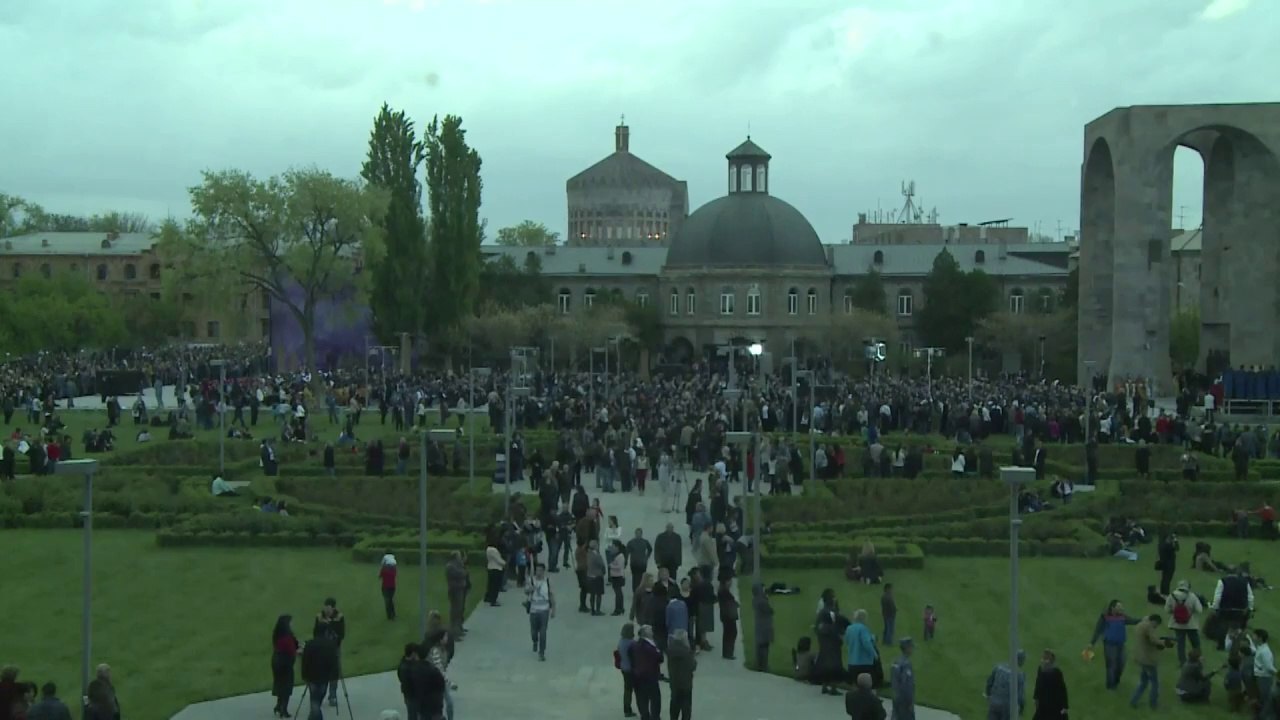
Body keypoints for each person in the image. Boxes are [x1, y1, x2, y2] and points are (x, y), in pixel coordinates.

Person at [1088, 599, 1140, 689]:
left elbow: (1133, 621)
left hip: (1120, 644)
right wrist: (1092, 643)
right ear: (1113, 608)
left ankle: (1116, 680)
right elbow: (1098, 630)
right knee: (1111, 665)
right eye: (1119, 607)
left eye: (1122, 607)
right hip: (1109, 645)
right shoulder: (1105, 617)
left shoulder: (1122, 617)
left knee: (1121, 663)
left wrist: (1144, 620)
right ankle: (1110, 685)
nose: (1122, 609)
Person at [1129, 614, 1168, 709]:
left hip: (1140, 657)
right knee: (1155, 683)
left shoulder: (1140, 625)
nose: (1156, 627)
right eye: (1156, 625)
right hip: (1148, 659)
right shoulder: (1148, 627)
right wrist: (1164, 643)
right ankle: (1153, 704)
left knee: (1144, 682)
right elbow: (1153, 640)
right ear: (1154, 621)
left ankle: (1133, 701)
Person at [313, 598, 346, 708]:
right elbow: (315, 633)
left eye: (329, 608)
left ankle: (332, 695)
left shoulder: (339, 617)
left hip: (334, 648)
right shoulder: (319, 617)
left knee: (334, 672)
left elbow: (341, 634)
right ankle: (320, 695)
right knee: (321, 672)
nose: (326, 610)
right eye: (325, 607)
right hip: (322, 649)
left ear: (333, 607)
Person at [301, 629, 339, 720]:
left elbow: (304, 661)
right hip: (324, 676)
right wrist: (334, 675)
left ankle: (313, 716)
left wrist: (304, 675)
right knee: (319, 697)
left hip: (311, 676)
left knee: (314, 697)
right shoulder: (330, 645)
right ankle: (316, 716)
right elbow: (333, 662)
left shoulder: (309, 644)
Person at [1164, 579, 1203, 666]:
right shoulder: (1192, 596)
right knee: (1195, 643)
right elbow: (1199, 610)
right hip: (1191, 624)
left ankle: (1182, 662)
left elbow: (1167, 610)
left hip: (1177, 624)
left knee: (1180, 644)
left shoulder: (1172, 596)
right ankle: (1198, 659)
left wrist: (1175, 611)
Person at [631, 625, 665, 720]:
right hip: (650, 676)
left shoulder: (637, 644)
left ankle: (645, 716)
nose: (652, 631)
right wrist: (658, 651)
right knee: (655, 699)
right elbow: (659, 658)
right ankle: (655, 717)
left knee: (642, 699)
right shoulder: (649, 646)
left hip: (639, 676)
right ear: (645, 633)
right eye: (650, 630)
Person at [271, 615, 300, 718]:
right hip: (285, 663)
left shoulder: (277, 634)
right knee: (287, 686)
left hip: (276, 661)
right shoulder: (287, 636)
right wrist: (299, 651)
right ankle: (284, 709)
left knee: (280, 684)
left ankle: (279, 705)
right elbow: (292, 650)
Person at [984, 649, 1026, 720]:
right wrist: (1021, 709)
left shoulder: (998, 667)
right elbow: (1020, 697)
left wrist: (988, 695)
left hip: (994, 702)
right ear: (1021, 660)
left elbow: (989, 682)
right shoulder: (1019, 676)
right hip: (1007, 707)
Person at [526, 563, 555, 661]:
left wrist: (553, 609)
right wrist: (529, 589)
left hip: (544, 609)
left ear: (543, 571)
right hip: (534, 609)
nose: (538, 572)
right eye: (537, 570)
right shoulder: (531, 580)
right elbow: (526, 591)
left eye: (540, 570)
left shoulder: (547, 581)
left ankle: (541, 652)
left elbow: (551, 595)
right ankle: (535, 641)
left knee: (543, 632)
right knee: (534, 631)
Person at [667, 629, 697, 720]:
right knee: (686, 708)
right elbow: (692, 666)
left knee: (674, 705)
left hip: (674, 682)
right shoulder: (687, 652)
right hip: (685, 683)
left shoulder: (670, 650)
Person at [1031, 650, 1069, 719]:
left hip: (1046, 705)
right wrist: (1065, 706)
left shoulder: (1043, 670)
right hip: (1054, 706)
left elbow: (1038, 687)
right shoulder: (1056, 672)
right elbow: (1062, 689)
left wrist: (1036, 699)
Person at [845, 609, 878, 687]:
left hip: (852, 661)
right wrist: (874, 653)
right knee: (865, 684)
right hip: (863, 662)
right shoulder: (863, 629)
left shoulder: (849, 628)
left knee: (854, 683)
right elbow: (866, 643)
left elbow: (847, 641)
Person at [890, 638, 915, 720]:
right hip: (904, 701)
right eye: (911, 647)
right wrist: (910, 702)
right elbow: (906, 686)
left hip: (896, 697)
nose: (912, 649)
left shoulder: (895, 662)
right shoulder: (906, 664)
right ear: (907, 648)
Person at [752, 582, 774, 672]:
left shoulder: (755, 599)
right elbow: (770, 611)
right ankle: (764, 666)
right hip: (765, 626)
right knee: (765, 646)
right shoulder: (762, 601)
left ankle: (759, 664)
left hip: (759, 624)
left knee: (759, 645)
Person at [617, 623, 636, 718]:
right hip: (630, 669)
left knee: (627, 689)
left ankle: (626, 708)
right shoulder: (631, 643)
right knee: (630, 690)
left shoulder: (621, 642)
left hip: (624, 667)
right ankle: (628, 709)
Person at [396, 644, 419, 720]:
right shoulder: (406, 668)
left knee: (413, 714)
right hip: (411, 695)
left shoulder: (404, 664)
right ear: (413, 654)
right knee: (413, 715)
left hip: (409, 694)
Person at [717, 577, 739, 660]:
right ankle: (729, 652)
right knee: (731, 633)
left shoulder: (722, 591)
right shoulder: (725, 592)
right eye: (729, 581)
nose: (731, 583)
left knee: (727, 633)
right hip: (729, 616)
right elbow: (729, 602)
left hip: (725, 615)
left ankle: (726, 652)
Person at [484, 541, 505, 607]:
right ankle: (493, 600)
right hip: (496, 568)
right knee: (495, 586)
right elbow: (498, 560)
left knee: (490, 584)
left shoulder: (488, 550)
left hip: (490, 567)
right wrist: (504, 563)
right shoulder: (494, 550)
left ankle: (488, 597)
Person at [380, 553, 399, 621]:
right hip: (392, 587)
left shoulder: (384, 570)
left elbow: (380, 576)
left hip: (385, 587)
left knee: (387, 601)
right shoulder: (393, 570)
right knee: (390, 600)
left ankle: (390, 616)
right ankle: (392, 614)